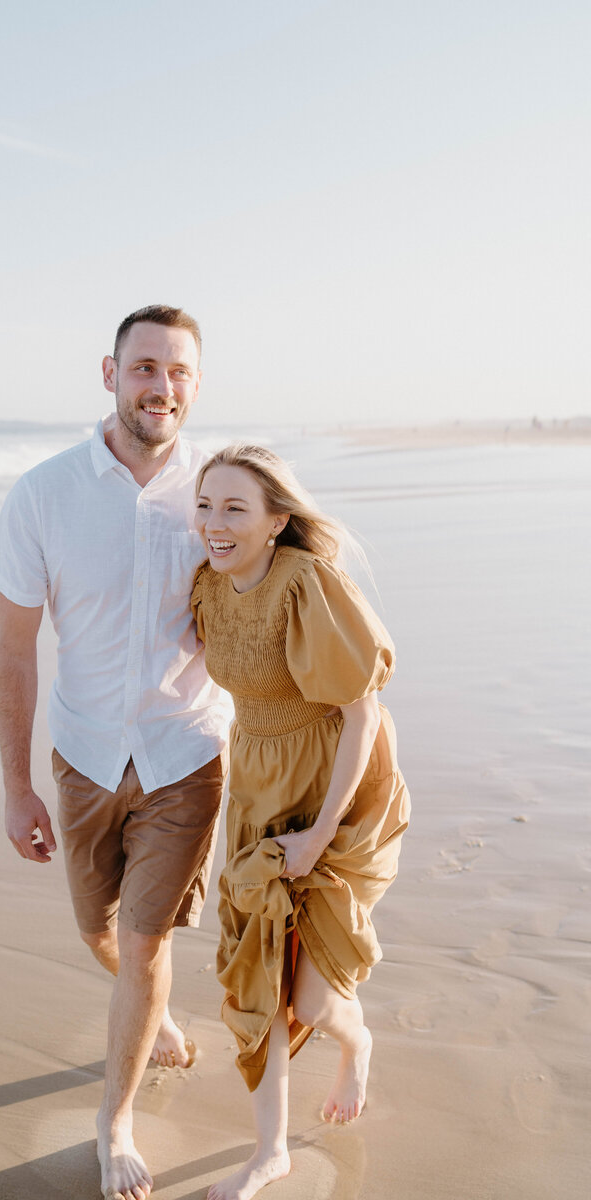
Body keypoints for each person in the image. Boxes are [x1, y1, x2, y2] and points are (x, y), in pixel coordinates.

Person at [0, 305, 231, 1200]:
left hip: (185, 753)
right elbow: (15, 652)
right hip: (83, 755)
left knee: (145, 933)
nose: (162, 386)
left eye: (179, 371)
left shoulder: (221, 489)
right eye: (145, 367)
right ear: (109, 373)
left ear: (195, 385)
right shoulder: (44, 494)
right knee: (99, 929)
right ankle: (147, 1007)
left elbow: (292, 584)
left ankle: (112, 1121)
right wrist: (19, 789)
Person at [190, 444, 410, 1200]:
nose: (214, 524)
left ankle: (357, 1045)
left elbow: (361, 713)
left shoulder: (307, 581)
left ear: (278, 519)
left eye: (235, 508)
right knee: (261, 973)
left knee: (316, 1000)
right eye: (205, 505)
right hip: (257, 786)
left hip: (340, 789)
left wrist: (319, 836)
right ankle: (270, 1152)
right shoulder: (209, 583)